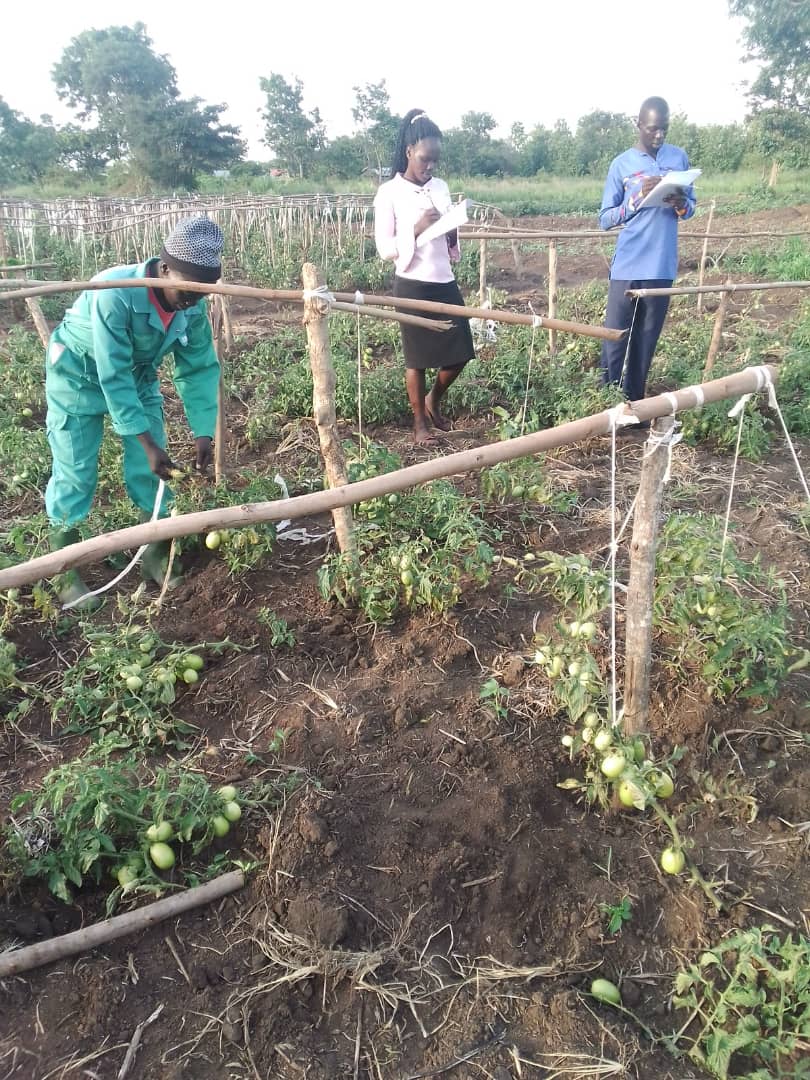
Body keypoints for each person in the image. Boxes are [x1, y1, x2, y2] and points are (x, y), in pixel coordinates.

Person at [44, 216, 224, 608]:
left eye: (201, 293)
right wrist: (147, 444)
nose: (192, 301)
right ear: (163, 268)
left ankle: (155, 555)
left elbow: (198, 369)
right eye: (187, 290)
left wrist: (202, 433)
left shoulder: (191, 307)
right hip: (78, 374)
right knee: (76, 471)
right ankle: (65, 573)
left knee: (152, 475)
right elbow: (113, 373)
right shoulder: (116, 291)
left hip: (138, 377)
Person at [373, 109, 475, 444]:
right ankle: (419, 424)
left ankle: (433, 400)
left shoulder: (441, 187)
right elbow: (385, 248)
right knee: (416, 360)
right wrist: (416, 229)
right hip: (412, 283)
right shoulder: (389, 193)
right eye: (424, 159)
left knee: (461, 351)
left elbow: (448, 239)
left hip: (443, 279)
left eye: (435, 160)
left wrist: (451, 229)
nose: (430, 166)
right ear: (408, 152)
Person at [599, 96, 696, 407]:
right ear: (638, 124)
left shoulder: (678, 158)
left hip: (661, 266)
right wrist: (635, 200)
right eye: (653, 129)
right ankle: (606, 408)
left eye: (664, 129)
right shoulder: (622, 164)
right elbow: (605, 218)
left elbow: (690, 207)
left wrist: (682, 205)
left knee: (645, 343)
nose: (659, 135)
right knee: (615, 340)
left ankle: (635, 407)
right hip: (628, 265)